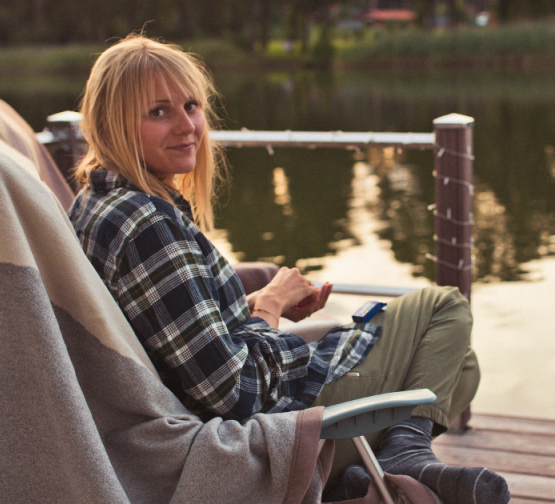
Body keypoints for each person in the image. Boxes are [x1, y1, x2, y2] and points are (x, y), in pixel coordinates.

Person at [68, 33, 509, 504]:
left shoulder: (96, 203)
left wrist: (254, 303)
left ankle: (356, 478)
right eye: (158, 112)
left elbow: (177, 335)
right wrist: (271, 306)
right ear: (112, 124)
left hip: (226, 415)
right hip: (261, 435)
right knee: (444, 308)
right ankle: (396, 457)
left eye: (191, 106)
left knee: (456, 365)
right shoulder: (148, 227)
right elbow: (234, 394)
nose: (187, 126)